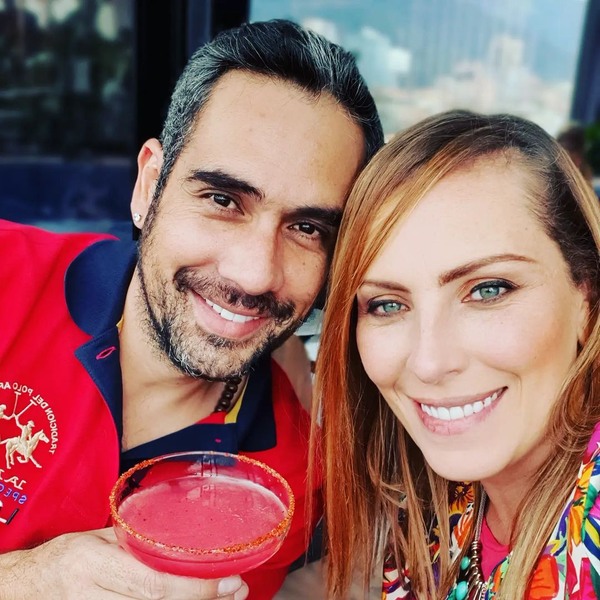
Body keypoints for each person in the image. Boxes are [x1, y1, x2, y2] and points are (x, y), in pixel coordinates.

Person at [0, 19, 383, 600]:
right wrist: (29, 580)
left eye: (307, 228)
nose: (254, 274)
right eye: (223, 199)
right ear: (149, 185)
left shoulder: (292, 482)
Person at [315, 110, 600, 599]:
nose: (428, 363)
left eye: (489, 289)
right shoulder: (428, 498)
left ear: (586, 300)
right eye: (387, 304)